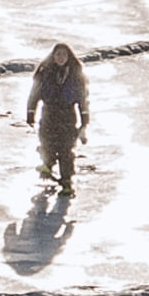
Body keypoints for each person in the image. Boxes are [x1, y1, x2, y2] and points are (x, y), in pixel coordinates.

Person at [25, 42, 89, 192]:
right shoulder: (45, 73)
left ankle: (66, 181)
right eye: (58, 54)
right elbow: (34, 95)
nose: (61, 57)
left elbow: (82, 100)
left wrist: (84, 121)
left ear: (69, 57)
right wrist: (30, 114)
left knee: (66, 149)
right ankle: (47, 164)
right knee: (47, 143)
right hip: (49, 114)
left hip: (67, 115)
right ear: (53, 56)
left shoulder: (75, 75)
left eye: (64, 55)